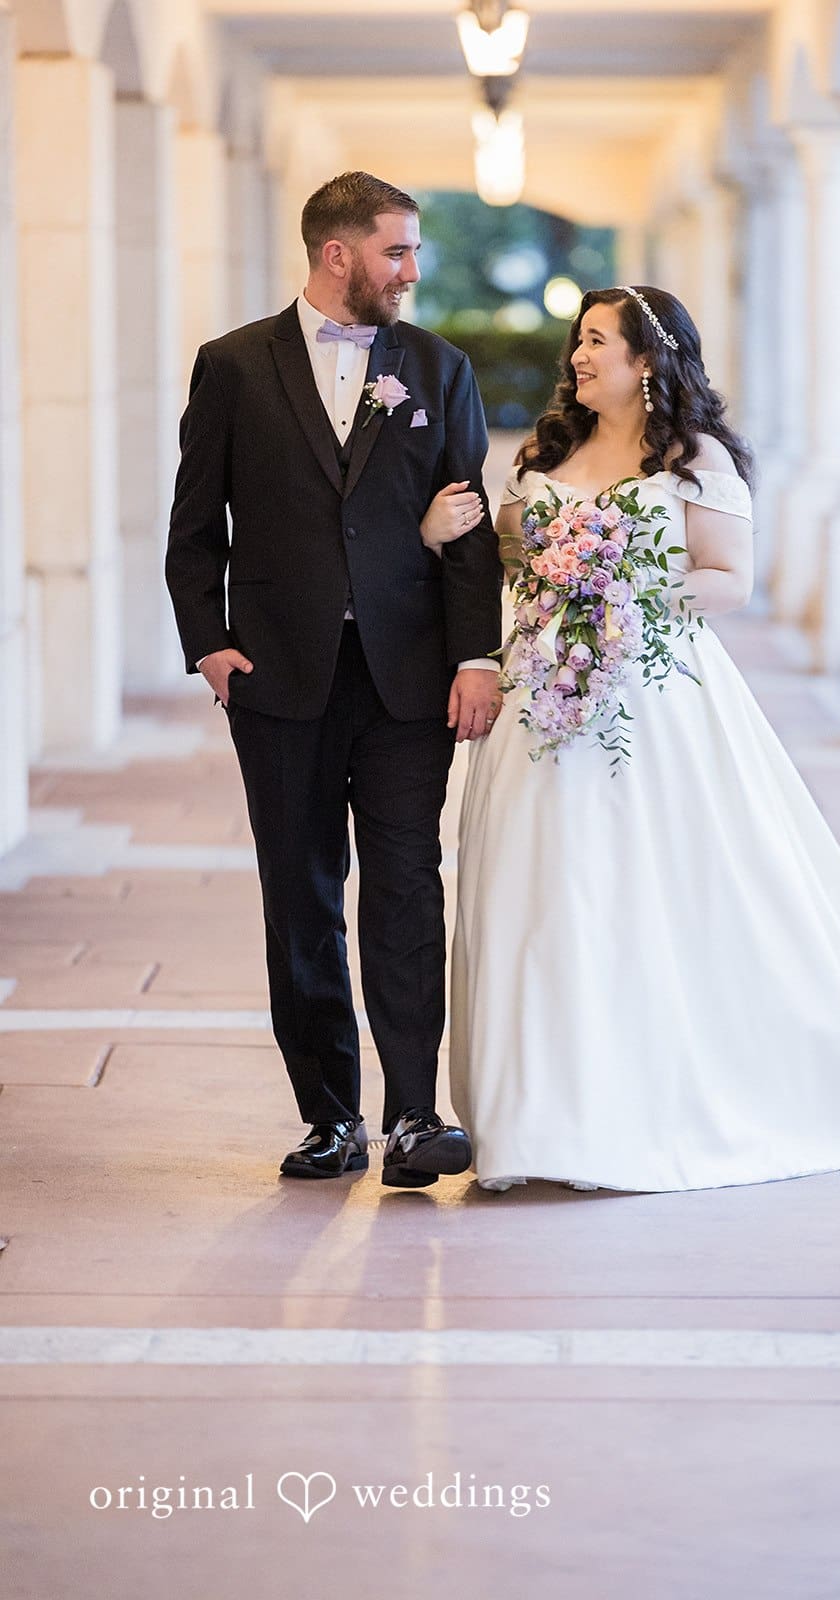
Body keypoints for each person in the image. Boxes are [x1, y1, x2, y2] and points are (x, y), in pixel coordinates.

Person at [448, 285, 840, 1194]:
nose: (578, 354)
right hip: (541, 701)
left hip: (654, 702)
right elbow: (510, 563)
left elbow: (729, 578)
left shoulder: (693, 457)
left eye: (596, 340)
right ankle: (541, 1119)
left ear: (647, 359)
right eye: (578, 340)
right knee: (543, 896)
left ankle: (651, 1103)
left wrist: (623, 599)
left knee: (647, 889)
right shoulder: (548, 451)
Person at [165, 171, 503, 1187]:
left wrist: (475, 654)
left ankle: (411, 1115)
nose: (411, 270)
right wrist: (208, 642)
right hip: (278, 679)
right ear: (336, 254)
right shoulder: (231, 365)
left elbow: (471, 528)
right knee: (300, 895)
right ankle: (328, 1118)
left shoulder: (436, 368)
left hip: (407, 683)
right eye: (396, 251)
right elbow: (193, 525)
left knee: (405, 885)